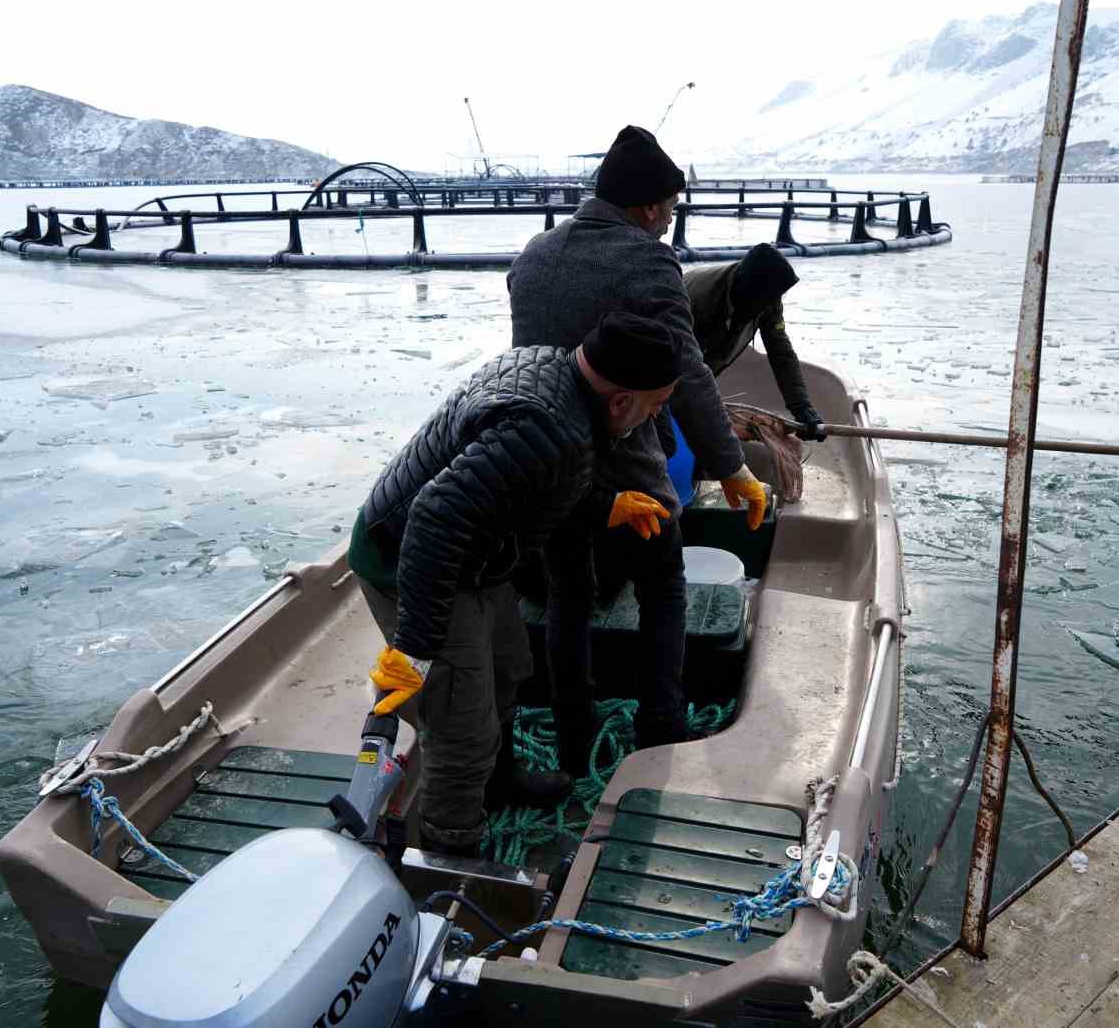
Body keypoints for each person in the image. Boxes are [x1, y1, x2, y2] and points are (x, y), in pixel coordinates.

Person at [346, 314, 682, 856]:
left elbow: (516, 482)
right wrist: (415, 648)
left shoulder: (555, 366)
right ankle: (451, 853)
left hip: (476, 555)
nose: (657, 415)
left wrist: (604, 506)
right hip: (411, 559)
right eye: (656, 405)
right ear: (620, 401)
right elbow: (435, 516)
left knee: (509, 668)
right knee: (463, 728)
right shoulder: (552, 428)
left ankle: (499, 786)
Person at [508, 124, 767, 773]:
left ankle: (572, 739)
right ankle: (659, 728)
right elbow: (687, 375)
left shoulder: (534, 254)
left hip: (548, 461)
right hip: (627, 471)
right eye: (671, 210)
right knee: (663, 585)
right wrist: (734, 470)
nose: (670, 223)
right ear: (650, 206)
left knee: (569, 593)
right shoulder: (650, 259)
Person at [683, 242, 827, 439]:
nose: (771, 303)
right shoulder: (701, 299)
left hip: (701, 365)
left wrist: (802, 407)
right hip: (665, 358)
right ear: (747, 288)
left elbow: (781, 352)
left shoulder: (768, 299)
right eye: (767, 298)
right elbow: (689, 370)